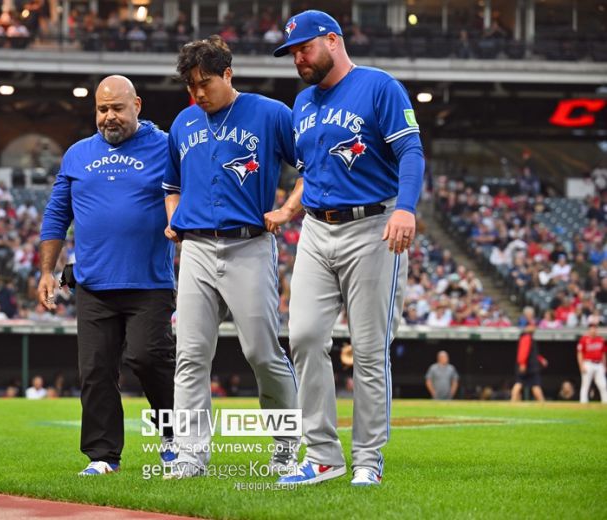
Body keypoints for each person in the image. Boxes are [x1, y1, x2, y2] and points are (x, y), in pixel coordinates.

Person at [269, 11, 425, 486]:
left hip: (373, 226)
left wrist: (406, 208)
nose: (298, 59)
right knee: (304, 337)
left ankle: (368, 459)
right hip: (316, 230)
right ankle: (322, 456)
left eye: (305, 48)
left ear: (333, 41)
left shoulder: (379, 87)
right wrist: (290, 208)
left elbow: (411, 151)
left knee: (370, 349)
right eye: (292, 53)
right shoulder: (302, 103)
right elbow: (309, 171)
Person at [162, 36, 299, 479]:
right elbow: (171, 187)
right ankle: (190, 456)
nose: (198, 92)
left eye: (205, 83)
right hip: (197, 249)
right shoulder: (184, 122)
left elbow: (311, 167)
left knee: (262, 352)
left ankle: (286, 447)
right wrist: (174, 218)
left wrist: (287, 209)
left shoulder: (271, 113)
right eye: (191, 85)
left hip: (249, 245)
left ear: (228, 74)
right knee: (190, 355)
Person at [38, 75, 176, 477]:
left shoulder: (166, 146)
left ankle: (175, 436)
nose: (109, 117)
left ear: (137, 105)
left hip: (149, 282)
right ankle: (103, 456)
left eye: (117, 108)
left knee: (148, 359)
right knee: (95, 371)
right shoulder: (77, 154)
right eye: (102, 109)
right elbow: (56, 214)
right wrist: (47, 271)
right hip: (94, 285)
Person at [510, 322, 547, 401]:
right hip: (528, 366)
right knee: (522, 383)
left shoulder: (529, 337)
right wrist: (522, 364)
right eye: (532, 326)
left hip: (530, 366)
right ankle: (513, 401)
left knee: (528, 384)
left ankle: (542, 402)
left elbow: (533, 353)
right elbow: (523, 352)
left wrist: (541, 359)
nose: (534, 328)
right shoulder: (526, 337)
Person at [576, 316, 607, 403]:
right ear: (589, 330)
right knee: (586, 385)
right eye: (592, 328)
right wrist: (581, 366)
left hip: (599, 364)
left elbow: (603, 354)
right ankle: (583, 403)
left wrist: (604, 366)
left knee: (603, 385)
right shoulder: (584, 339)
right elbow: (579, 353)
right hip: (588, 363)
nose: (593, 330)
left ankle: (605, 403)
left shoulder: (600, 339)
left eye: (595, 328)